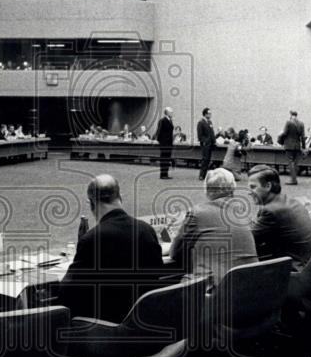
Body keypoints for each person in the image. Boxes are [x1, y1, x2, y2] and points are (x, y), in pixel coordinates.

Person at [56, 175, 165, 322]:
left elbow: (67, 293)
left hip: (105, 328)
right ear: (120, 197)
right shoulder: (147, 230)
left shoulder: (92, 239)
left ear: (91, 203)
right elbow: (157, 274)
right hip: (143, 322)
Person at [170, 169, 257, 285]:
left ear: (206, 189)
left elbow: (175, 252)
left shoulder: (198, 213)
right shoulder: (243, 214)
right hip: (252, 284)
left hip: (217, 289)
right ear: (233, 188)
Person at [248, 165, 311, 267]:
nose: (249, 192)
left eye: (253, 187)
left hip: (299, 273)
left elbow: (248, 239)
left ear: (268, 186)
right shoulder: (291, 201)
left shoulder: (271, 211)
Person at [278, 110, 305, 185]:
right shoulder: (301, 123)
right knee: (295, 163)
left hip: (289, 145)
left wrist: (279, 140)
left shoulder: (288, 122)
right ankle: (294, 179)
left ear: (290, 115)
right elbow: (303, 136)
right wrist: (303, 147)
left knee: (290, 162)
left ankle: (293, 180)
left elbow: (284, 133)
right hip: (297, 146)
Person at [155, 107, 174, 179]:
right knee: (164, 159)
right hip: (164, 144)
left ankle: (165, 173)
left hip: (169, 143)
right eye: (171, 112)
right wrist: (161, 143)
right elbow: (159, 132)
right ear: (167, 113)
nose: (172, 113)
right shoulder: (162, 120)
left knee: (167, 159)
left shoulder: (170, 120)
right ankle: (162, 174)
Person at [197, 108, 215, 180]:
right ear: (205, 114)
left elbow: (212, 133)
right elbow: (200, 134)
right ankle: (201, 175)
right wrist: (204, 141)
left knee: (208, 159)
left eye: (210, 113)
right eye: (209, 113)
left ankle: (205, 175)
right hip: (205, 144)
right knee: (205, 159)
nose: (210, 115)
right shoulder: (201, 122)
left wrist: (214, 140)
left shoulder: (210, 122)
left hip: (210, 143)